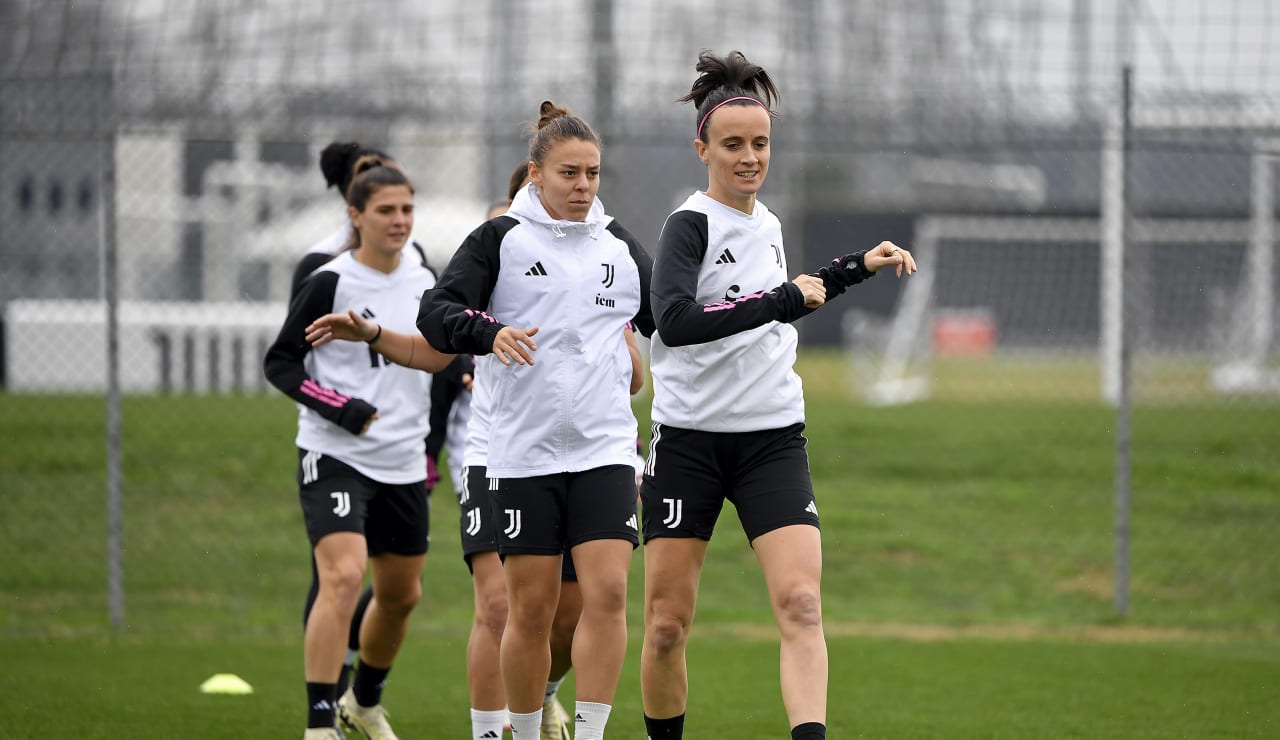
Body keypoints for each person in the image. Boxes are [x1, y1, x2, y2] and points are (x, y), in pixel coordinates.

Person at [639, 50, 917, 740]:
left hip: (771, 438)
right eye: (733, 144)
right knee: (668, 625)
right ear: (702, 146)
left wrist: (852, 268)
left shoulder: (768, 224)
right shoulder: (689, 225)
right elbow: (674, 321)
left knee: (801, 604)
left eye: (760, 143)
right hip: (688, 443)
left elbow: (776, 298)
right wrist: (780, 302)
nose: (749, 157)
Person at [418, 100, 655, 740]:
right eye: (569, 174)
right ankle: (519, 732)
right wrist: (487, 332)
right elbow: (435, 314)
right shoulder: (499, 241)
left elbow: (675, 323)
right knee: (529, 610)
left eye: (593, 174)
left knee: (604, 598)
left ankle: (591, 732)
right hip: (523, 455)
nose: (583, 187)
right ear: (536, 174)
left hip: (606, 449)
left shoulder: (620, 245)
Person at [264, 158, 454, 740]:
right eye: (385, 211)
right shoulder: (330, 279)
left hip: (401, 459)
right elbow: (282, 362)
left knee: (400, 596)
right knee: (343, 579)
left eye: (406, 210)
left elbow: (441, 364)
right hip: (335, 453)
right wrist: (335, 405)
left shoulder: (426, 281)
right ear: (356, 216)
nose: (399, 221)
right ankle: (319, 723)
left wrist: (432, 446)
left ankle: (363, 703)